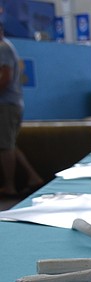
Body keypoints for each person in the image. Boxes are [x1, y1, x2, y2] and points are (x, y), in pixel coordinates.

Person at [0, 21, 39, 197]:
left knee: (4, 146)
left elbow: (4, 78)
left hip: (6, 104)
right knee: (9, 144)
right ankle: (33, 177)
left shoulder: (2, 48)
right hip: (12, 103)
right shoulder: (7, 47)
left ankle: (10, 186)